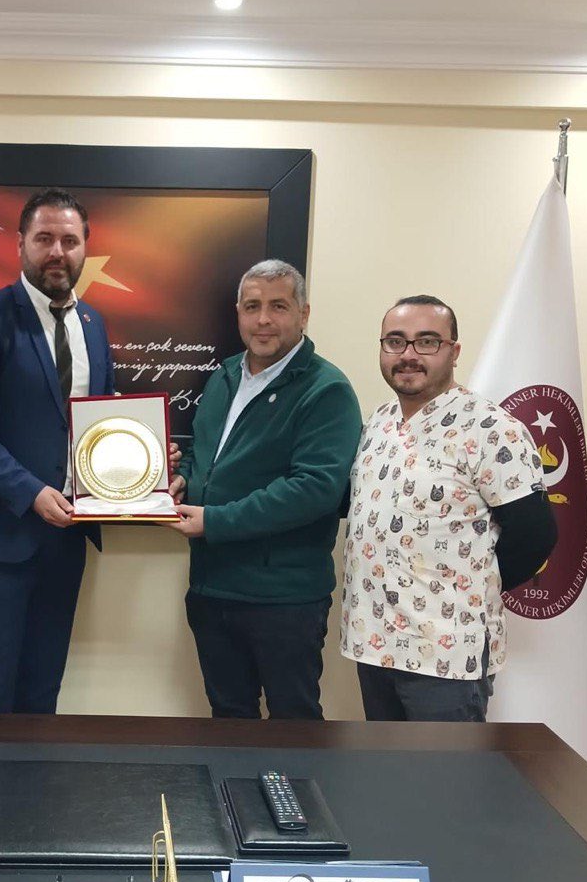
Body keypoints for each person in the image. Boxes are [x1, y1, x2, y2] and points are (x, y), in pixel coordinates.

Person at [0, 187, 115, 713]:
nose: (57, 252)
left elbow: (101, 422)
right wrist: (30, 492)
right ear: (20, 244)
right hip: (0, 537)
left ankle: (36, 772)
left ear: (85, 247)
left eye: (69, 240)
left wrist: (140, 460)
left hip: (69, 538)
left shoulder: (93, 325)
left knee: (43, 689)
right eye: (44, 239)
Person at [340, 294, 557, 722]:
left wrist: (468, 590)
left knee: (446, 767)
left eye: (426, 342)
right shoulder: (378, 423)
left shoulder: (492, 430)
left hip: (446, 656)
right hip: (373, 643)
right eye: (395, 341)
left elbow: (536, 536)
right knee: (384, 764)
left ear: (454, 352)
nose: (408, 355)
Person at [171, 259, 361, 719]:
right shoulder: (225, 376)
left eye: (279, 306)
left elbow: (315, 489)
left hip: (283, 599)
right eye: (252, 306)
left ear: (303, 313)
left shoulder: (327, 390)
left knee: (293, 725)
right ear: (238, 312)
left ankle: (292, 777)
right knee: (228, 718)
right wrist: (183, 478)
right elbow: (204, 452)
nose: (263, 320)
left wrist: (215, 521)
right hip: (213, 588)